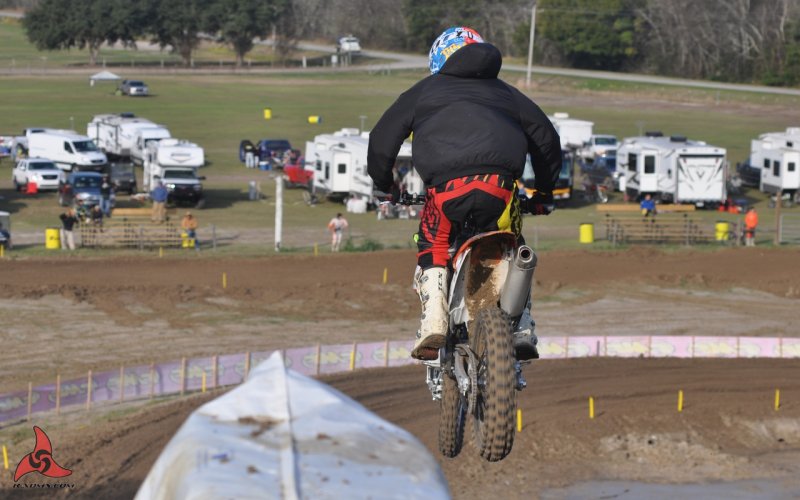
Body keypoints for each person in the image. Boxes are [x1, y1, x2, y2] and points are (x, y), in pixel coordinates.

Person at [367, 26, 561, 361]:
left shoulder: (423, 91)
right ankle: (522, 325)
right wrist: (544, 192)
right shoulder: (507, 93)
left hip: (445, 191)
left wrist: (385, 185)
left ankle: (433, 321)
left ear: (438, 60)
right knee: (513, 243)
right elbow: (547, 140)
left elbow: (382, 139)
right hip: (499, 189)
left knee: (432, 243)